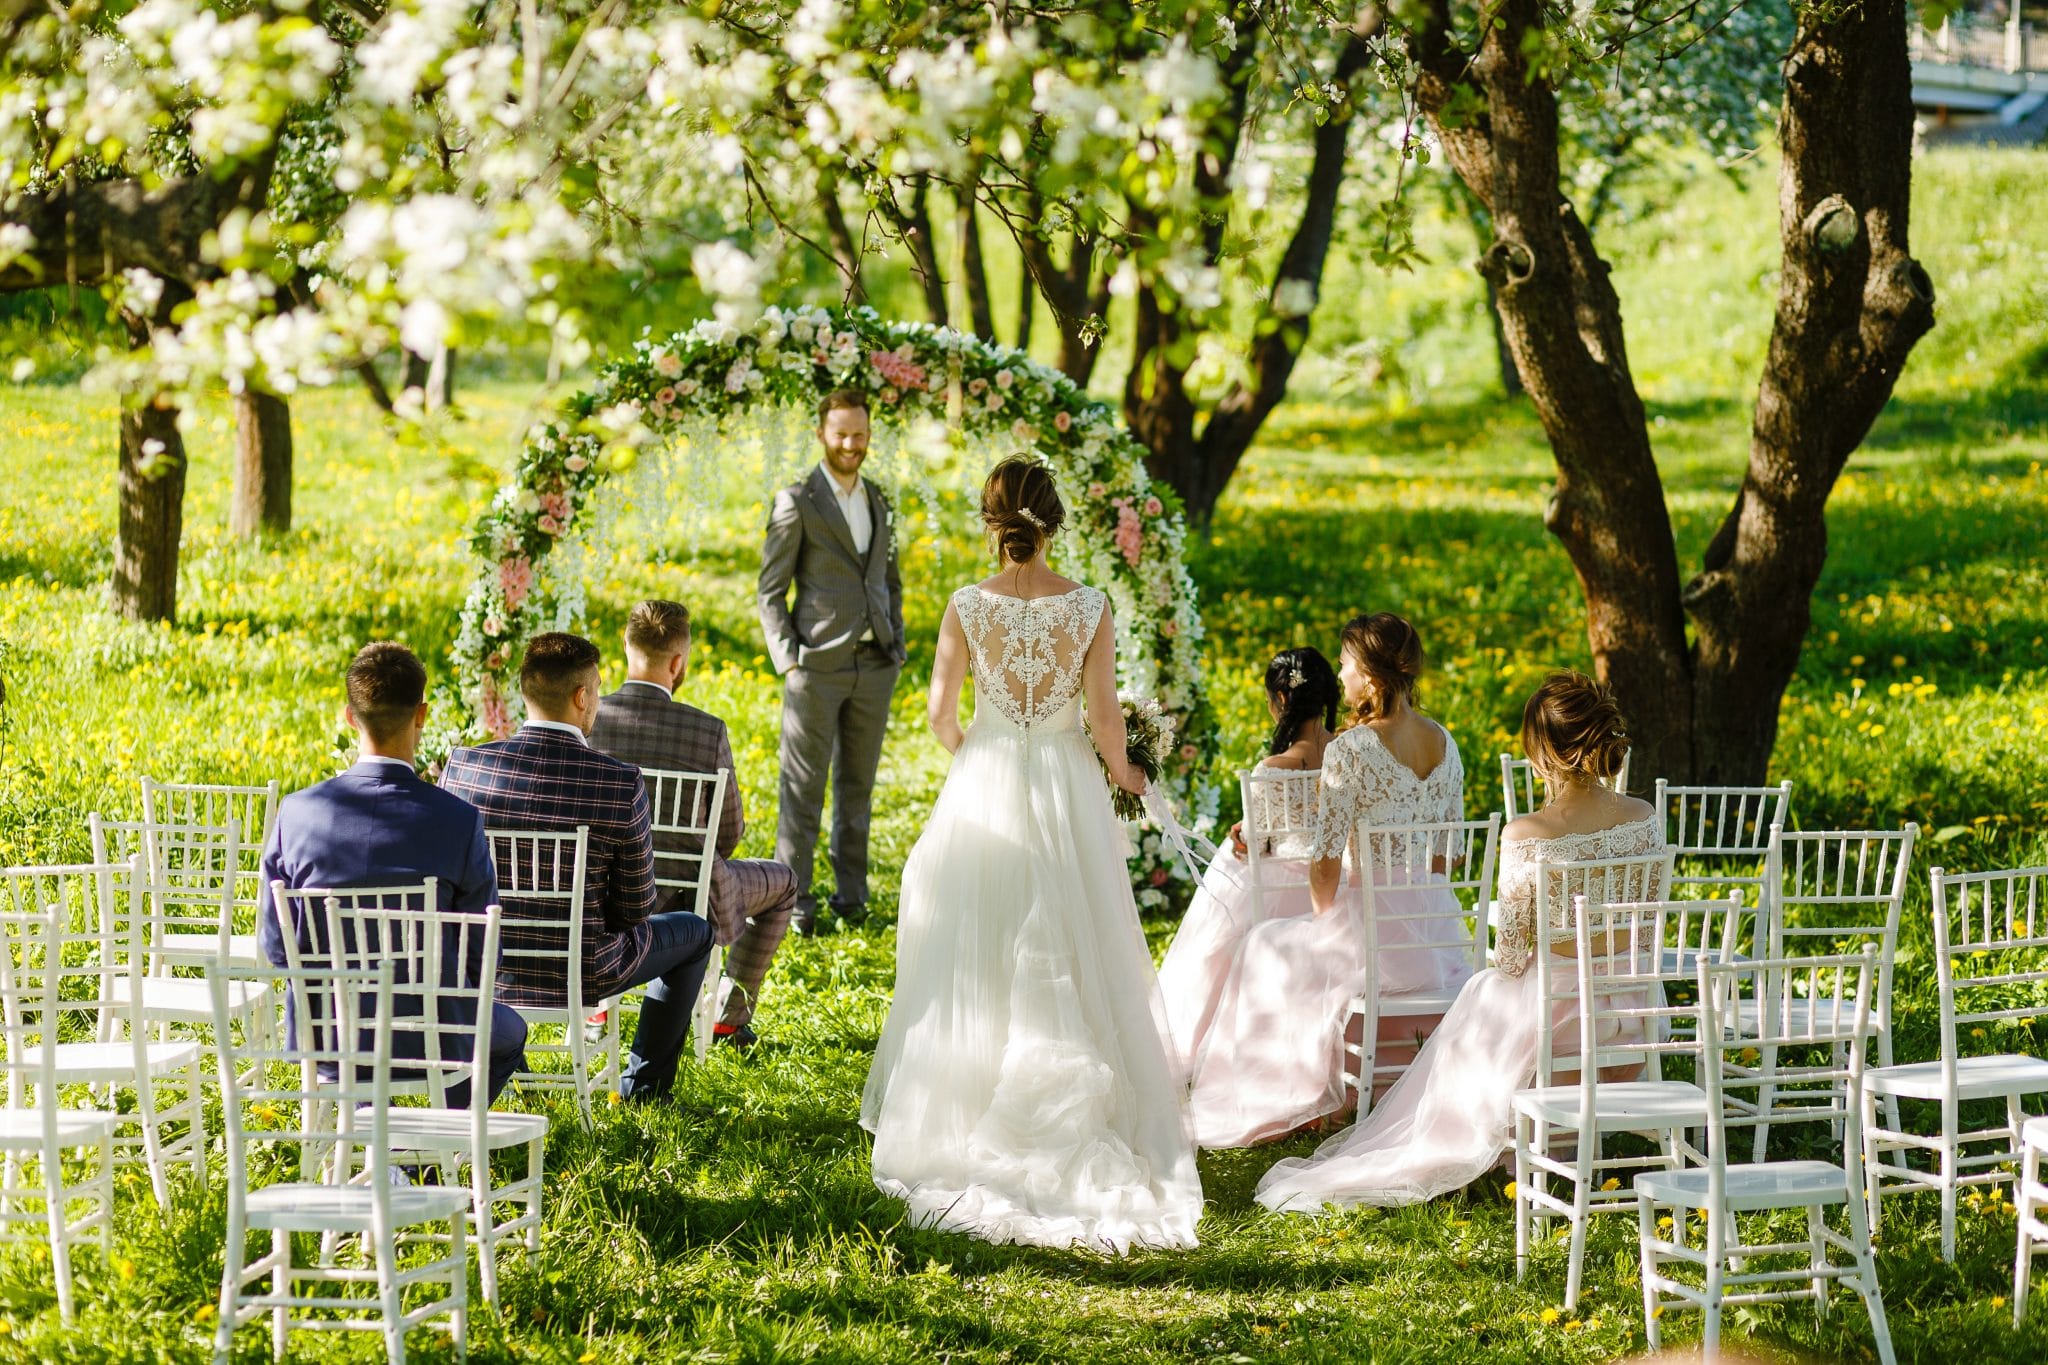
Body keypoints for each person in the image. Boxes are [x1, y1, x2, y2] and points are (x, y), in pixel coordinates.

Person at [860, 456, 1203, 1253]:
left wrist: (982, 755)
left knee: (974, 946)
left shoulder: (966, 606)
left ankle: (969, 1101)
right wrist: (1129, 773)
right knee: (1069, 936)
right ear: (1055, 522)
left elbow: (943, 715)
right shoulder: (1088, 605)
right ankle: (1072, 1101)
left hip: (986, 777)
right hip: (1064, 783)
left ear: (993, 521)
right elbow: (1106, 720)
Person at [1256, 670, 1664, 1211]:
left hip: (1561, 1017)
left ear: (1542, 751)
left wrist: (1513, 962)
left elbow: (1516, 953)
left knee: (1483, 993)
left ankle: (1482, 1137)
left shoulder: (1528, 833)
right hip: (1633, 1009)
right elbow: (1646, 919)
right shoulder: (1645, 819)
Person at [1178, 617, 1471, 1149]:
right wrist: (1426, 908)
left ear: (1370, 676)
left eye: (1345, 663)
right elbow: (1445, 857)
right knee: (1283, 943)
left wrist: (1324, 924)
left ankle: (1287, 1090)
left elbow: (1326, 862)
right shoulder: (1445, 742)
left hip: (1372, 934)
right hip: (1438, 933)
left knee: (1263, 943)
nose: (1340, 673)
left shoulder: (1352, 750)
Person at [441, 632, 714, 1102]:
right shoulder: (619, 780)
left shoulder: (465, 767)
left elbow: (449, 884)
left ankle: (517, 1076)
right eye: (599, 691)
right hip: (587, 968)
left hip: (485, 968)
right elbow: (634, 911)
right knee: (695, 933)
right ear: (582, 696)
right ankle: (644, 1088)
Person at [258, 642, 526, 1108]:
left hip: (328, 1037)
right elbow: (485, 959)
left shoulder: (295, 814)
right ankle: (433, 1138)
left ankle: (377, 1140)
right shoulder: (458, 821)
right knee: (509, 1031)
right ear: (421, 715)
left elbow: (276, 949)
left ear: (349, 716)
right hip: (431, 1039)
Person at [589, 599, 799, 1051]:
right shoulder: (706, 730)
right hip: (688, 898)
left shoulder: (589, 718)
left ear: (625, 647)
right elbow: (726, 836)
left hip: (600, 895)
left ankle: (597, 1004)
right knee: (783, 883)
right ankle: (728, 1018)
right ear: (679, 662)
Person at [1156, 646, 1340, 1140]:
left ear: (1281, 697)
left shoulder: (1275, 766)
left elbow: (1260, 844)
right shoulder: (1348, 750)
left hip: (1282, 892)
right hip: (1334, 889)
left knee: (1229, 876)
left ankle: (1212, 1036)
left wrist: (1244, 833)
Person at [757, 388, 906, 934]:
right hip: (815, 667)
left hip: (875, 665)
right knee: (803, 789)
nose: (851, 444)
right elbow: (769, 590)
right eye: (841, 433)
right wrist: (789, 661)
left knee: (857, 787)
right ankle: (791, 904)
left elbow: (888, 580)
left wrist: (898, 639)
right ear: (821, 433)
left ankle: (852, 898)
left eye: (860, 434)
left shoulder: (880, 500)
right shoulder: (796, 500)